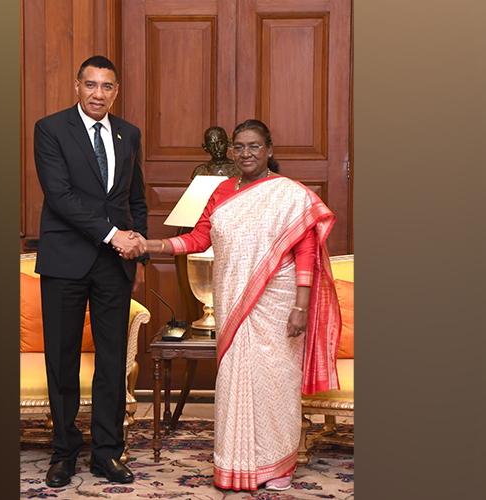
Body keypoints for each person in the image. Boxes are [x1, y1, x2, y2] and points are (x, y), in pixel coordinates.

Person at [142, 119, 342, 492]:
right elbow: (199, 238)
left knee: (276, 383)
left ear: (269, 149)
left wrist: (301, 305)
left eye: (253, 146)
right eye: (239, 146)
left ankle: (277, 466)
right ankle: (236, 465)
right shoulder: (220, 190)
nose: (245, 153)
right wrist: (153, 246)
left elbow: (305, 249)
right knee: (235, 379)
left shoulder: (289, 193)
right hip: (234, 298)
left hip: (278, 300)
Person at [33, 55, 148, 488]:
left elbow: (135, 199)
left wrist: (136, 248)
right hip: (65, 261)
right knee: (62, 361)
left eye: (107, 87)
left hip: (113, 267)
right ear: (76, 87)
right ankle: (64, 451)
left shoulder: (128, 133)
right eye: (91, 85)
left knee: (112, 360)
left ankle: (106, 452)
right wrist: (114, 234)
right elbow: (60, 196)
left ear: (116, 91)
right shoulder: (50, 129)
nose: (99, 94)